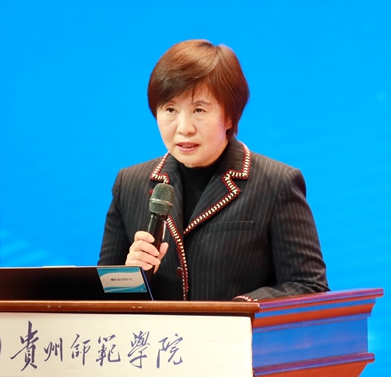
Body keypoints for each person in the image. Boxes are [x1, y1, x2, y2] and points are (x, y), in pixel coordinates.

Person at [98, 39, 329, 301]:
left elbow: (308, 285)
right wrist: (130, 278)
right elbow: (104, 300)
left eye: (199, 110)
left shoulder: (276, 183)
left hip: (240, 329)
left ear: (229, 116)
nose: (184, 128)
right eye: (170, 109)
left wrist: (236, 313)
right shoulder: (129, 184)